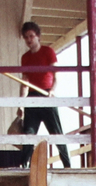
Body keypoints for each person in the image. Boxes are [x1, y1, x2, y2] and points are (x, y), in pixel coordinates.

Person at [20, 22, 70, 168]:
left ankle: (67, 165)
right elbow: (24, 82)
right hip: (32, 98)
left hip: (47, 95)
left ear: (38, 36)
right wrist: (21, 104)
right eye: (26, 37)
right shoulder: (25, 58)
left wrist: (52, 90)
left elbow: (56, 75)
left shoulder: (48, 52)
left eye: (31, 36)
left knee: (56, 133)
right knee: (28, 134)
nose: (29, 40)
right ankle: (24, 166)